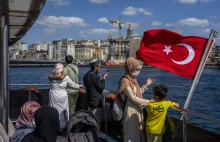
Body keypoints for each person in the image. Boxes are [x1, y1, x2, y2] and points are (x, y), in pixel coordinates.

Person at [118, 57, 154, 142]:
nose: (138, 71)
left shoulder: (133, 79)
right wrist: (149, 102)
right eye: (136, 69)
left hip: (137, 109)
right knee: (131, 134)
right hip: (130, 110)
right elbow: (133, 97)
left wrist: (146, 85)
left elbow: (137, 93)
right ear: (130, 68)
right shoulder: (125, 80)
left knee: (137, 133)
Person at [48, 63, 83, 129]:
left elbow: (50, 77)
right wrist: (79, 86)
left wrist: (53, 72)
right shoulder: (66, 77)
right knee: (63, 109)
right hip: (62, 94)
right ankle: (63, 125)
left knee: (54, 108)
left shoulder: (51, 76)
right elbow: (72, 84)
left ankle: (54, 123)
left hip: (54, 94)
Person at [83, 58, 108, 126]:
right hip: (96, 101)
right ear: (95, 67)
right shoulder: (94, 76)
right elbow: (101, 88)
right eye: (99, 66)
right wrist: (103, 79)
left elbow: (87, 85)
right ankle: (94, 135)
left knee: (90, 119)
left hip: (89, 100)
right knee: (95, 121)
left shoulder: (86, 75)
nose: (100, 68)